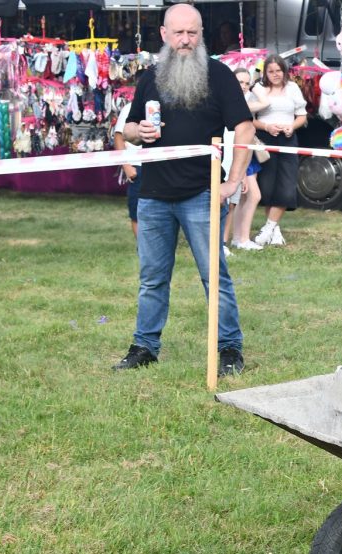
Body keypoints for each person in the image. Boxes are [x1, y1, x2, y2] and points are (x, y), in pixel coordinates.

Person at [114, 2, 256, 376]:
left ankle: (229, 350)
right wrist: (136, 132)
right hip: (153, 195)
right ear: (164, 35)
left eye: (192, 32)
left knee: (215, 276)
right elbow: (127, 129)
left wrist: (234, 181)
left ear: (200, 35)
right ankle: (144, 346)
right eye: (178, 33)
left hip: (202, 194)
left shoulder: (219, 75)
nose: (185, 40)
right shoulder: (149, 78)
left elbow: (245, 129)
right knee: (152, 278)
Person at [251, 54, 306, 248]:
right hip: (265, 139)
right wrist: (266, 127)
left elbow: (302, 115)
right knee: (267, 185)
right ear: (265, 73)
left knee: (286, 183)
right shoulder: (259, 90)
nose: (275, 75)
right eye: (271, 71)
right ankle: (274, 229)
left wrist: (292, 126)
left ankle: (268, 228)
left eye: (278, 71)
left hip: (288, 139)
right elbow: (250, 118)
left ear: (284, 71)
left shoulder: (293, 88)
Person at [229, 67, 269, 250]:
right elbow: (265, 102)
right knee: (250, 195)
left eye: (247, 82)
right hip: (238, 152)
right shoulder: (236, 103)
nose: (244, 86)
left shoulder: (246, 99)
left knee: (249, 196)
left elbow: (264, 102)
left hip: (249, 152)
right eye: (240, 82)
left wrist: (253, 87)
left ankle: (240, 238)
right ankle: (240, 238)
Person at [112, 100, 142, 237]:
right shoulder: (129, 108)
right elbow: (118, 138)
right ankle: (142, 248)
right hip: (137, 168)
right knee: (136, 212)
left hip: (160, 167)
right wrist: (127, 166)